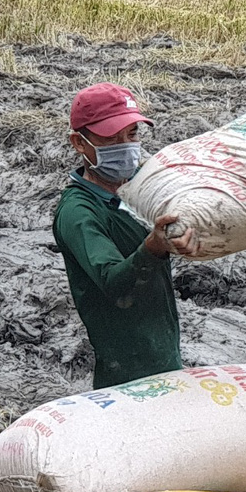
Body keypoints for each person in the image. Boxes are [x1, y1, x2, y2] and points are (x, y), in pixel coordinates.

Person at [54, 82, 200, 389]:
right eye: (110, 138)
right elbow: (116, 285)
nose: (126, 147)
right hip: (125, 370)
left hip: (162, 348)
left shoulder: (131, 192)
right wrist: (154, 246)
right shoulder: (79, 213)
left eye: (132, 134)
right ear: (79, 143)